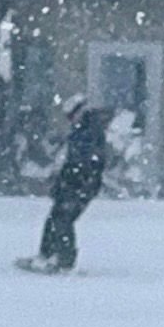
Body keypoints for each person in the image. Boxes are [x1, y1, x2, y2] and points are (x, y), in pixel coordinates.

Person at [30, 103, 115, 273]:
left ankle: (64, 260)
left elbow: (85, 160)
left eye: (71, 116)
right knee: (55, 217)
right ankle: (46, 255)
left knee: (63, 219)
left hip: (80, 184)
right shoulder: (83, 130)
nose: (70, 120)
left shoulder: (88, 131)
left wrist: (75, 178)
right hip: (74, 182)